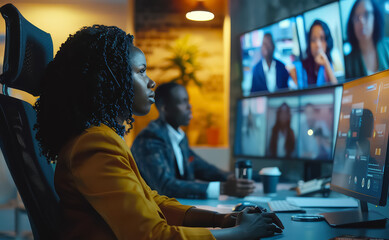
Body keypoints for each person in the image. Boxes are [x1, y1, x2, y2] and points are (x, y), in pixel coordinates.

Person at [34, 25, 283, 239]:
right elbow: (150, 235)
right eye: (141, 72)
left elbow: (154, 200)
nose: (151, 82)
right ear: (111, 80)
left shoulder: (103, 138)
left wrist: (227, 219)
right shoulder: (95, 145)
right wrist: (240, 234)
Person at [131, 82, 255, 199]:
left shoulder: (180, 137)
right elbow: (164, 186)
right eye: (183, 102)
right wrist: (223, 188)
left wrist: (230, 177)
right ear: (165, 108)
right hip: (151, 214)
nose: (189, 106)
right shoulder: (150, 139)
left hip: (174, 209)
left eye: (188, 100)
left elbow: (199, 166)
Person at [345, 0, 389, 79]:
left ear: (375, 17)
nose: (361, 21)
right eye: (356, 17)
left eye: (366, 14)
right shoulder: (349, 60)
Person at [294, 20, 338, 88]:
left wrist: (326, 63)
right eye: (313, 40)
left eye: (322, 39)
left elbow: (337, 90)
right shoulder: (299, 67)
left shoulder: (329, 65)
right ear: (309, 43)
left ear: (327, 42)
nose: (318, 45)